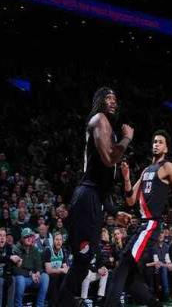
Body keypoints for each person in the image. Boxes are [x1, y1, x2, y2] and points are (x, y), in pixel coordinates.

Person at [59, 87, 134, 306]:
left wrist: (113, 212)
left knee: (83, 263)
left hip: (94, 198)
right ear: (99, 101)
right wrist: (127, 138)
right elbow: (110, 158)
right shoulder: (99, 119)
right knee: (82, 260)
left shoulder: (107, 127)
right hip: (86, 198)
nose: (113, 102)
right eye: (108, 98)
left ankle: (64, 302)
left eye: (115, 98)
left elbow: (103, 183)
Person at [104, 130, 172, 307]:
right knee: (130, 279)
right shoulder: (145, 171)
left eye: (160, 142)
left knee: (122, 266)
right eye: (154, 141)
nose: (156, 144)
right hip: (142, 226)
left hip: (151, 225)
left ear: (166, 148)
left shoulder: (167, 167)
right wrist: (126, 178)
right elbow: (130, 200)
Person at [13, 227, 50, 307]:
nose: (29, 238)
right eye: (26, 237)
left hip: (33, 278)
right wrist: (30, 274)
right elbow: (16, 270)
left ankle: (39, 305)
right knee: (20, 279)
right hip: (23, 278)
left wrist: (38, 272)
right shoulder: (16, 249)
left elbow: (39, 265)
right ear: (22, 238)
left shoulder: (34, 249)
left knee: (45, 277)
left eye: (30, 236)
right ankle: (18, 305)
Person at [0, 227, 21, 307]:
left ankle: (10, 305)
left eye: (4, 236)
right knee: (0, 280)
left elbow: (12, 262)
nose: (2, 238)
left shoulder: (8, 248)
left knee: (12, 278)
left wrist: (18, 261)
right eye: (0, 235)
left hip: (4, 276)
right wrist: (10, 258)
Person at [43, 232, 69, 306]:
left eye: (60, 240)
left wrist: (65, 270)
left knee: (67, 278)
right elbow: (48, 270)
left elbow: (65, 267)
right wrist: (61, 270)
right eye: (57, 239)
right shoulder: (48, 251)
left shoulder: (62, 251)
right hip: (48, 276)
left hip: (58, 276)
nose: (58, 242)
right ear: (53, 241)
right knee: (55, 279)